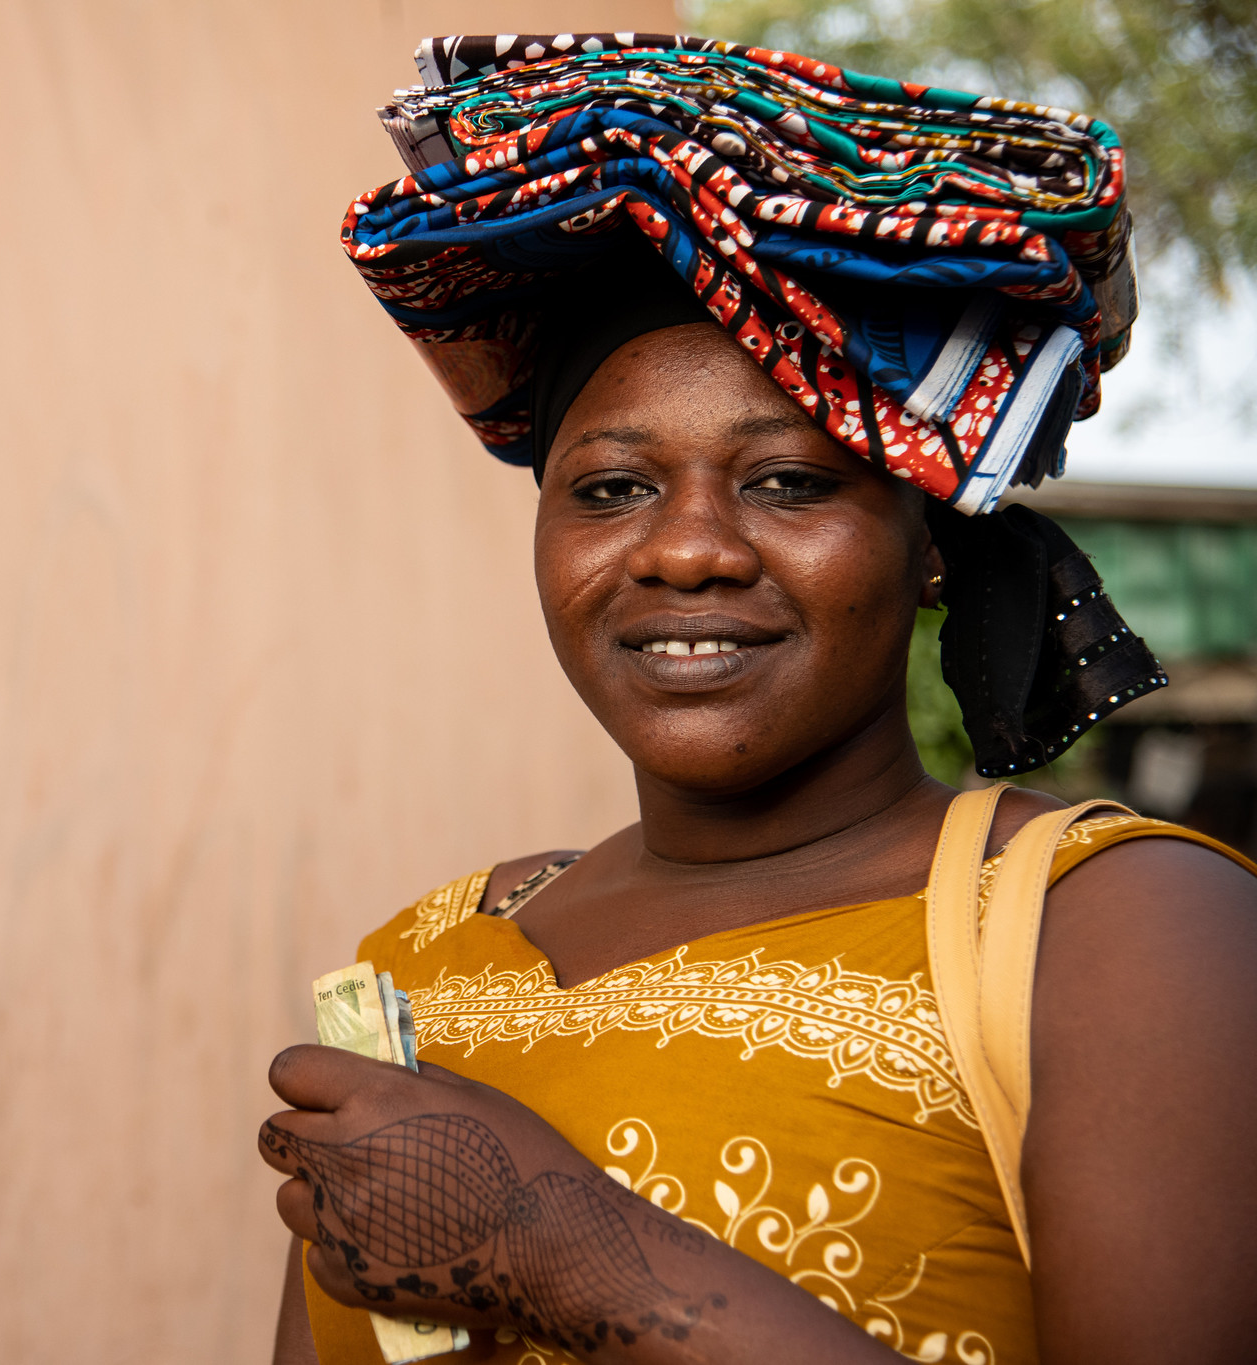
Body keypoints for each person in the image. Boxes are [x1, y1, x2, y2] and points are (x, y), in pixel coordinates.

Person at [262, 33, 1257, 1365]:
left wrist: (559, 1248)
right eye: (612, 487)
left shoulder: (1110, 930)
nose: (688, 549)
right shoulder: (417, 970)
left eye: (789, 481)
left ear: (931, 553)